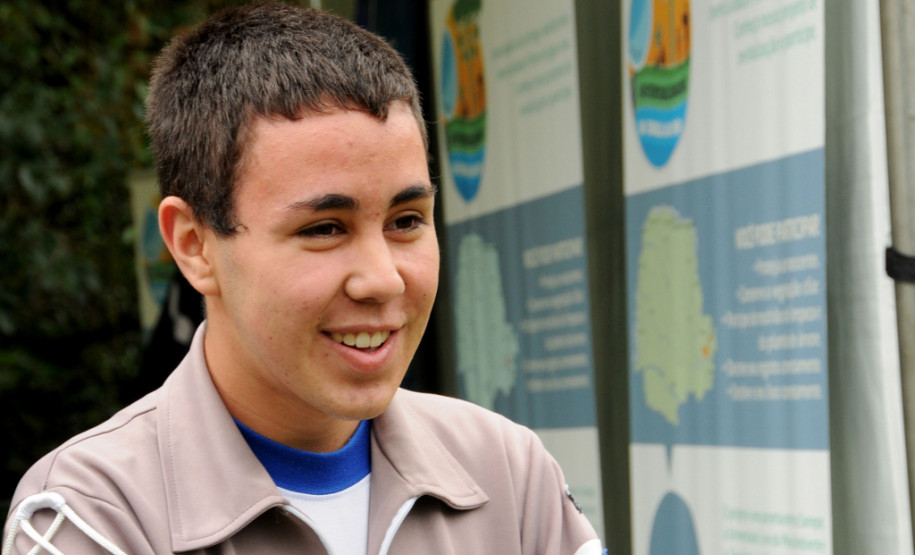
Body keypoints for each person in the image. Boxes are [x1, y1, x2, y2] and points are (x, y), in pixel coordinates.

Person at [2, 3, 602, 554]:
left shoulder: (507, 472)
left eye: (407, 220)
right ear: (193, 245)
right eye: (324, 228)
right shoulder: (94, 513)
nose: (383, 279)